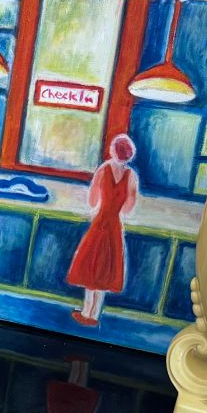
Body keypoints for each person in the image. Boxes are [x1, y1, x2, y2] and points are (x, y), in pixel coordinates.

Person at [66, 133, 139, 327]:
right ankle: (94, 314)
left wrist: (99, 207)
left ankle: (86, 311)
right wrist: (117, 208)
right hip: (115, 225)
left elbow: (92, 199)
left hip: (100, 223)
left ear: (113, 151)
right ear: (129, 155)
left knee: (92, 267)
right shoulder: (131, 176)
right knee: (106, 269)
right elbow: (129, 206)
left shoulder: (104, 169)